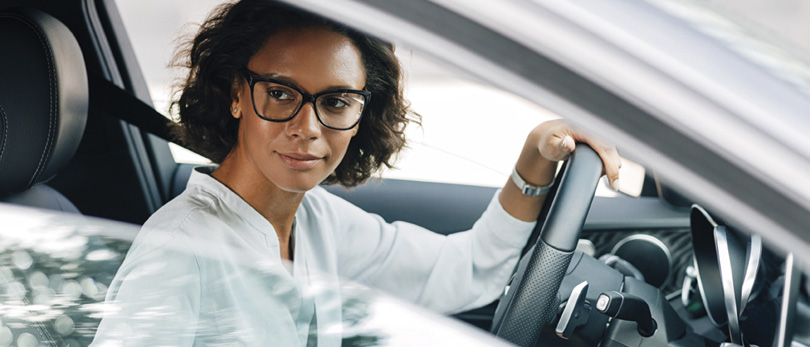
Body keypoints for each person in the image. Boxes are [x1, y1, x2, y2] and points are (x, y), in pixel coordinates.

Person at [92, 0, 621, 346]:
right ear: (236, 95)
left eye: (336, 102)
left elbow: (466, 269)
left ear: (361, 112)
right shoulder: (180, 250)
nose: (308, 127)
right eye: (280, 94)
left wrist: (535, 156)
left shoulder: (316, 221)